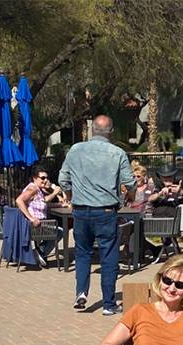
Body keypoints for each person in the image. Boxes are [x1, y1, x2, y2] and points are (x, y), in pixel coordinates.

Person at [58, 114, 135, 313]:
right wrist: (130, 196)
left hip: (81, 210)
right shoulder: (117, 153)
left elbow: (63, 179)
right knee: (108, 256)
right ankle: (108, 304)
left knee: (82, 253)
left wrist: (70, 195)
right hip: (106, 210)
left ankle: (81, 292)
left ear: (92, 130)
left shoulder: (75, 150)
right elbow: (129, 182)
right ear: (111, 131)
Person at [14, 164, 67, 266]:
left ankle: (41, 252)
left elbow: (44, 202)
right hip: (35, 226)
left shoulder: (38, 190)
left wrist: (60, 204)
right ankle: (40, 252)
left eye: (46, 178)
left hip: (40, 225)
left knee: (55, 227)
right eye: (42, 178)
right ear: (35, 178)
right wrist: (31, 218)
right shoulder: (32, 189)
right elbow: (19, 200)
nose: (45, 180)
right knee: (60, 231)